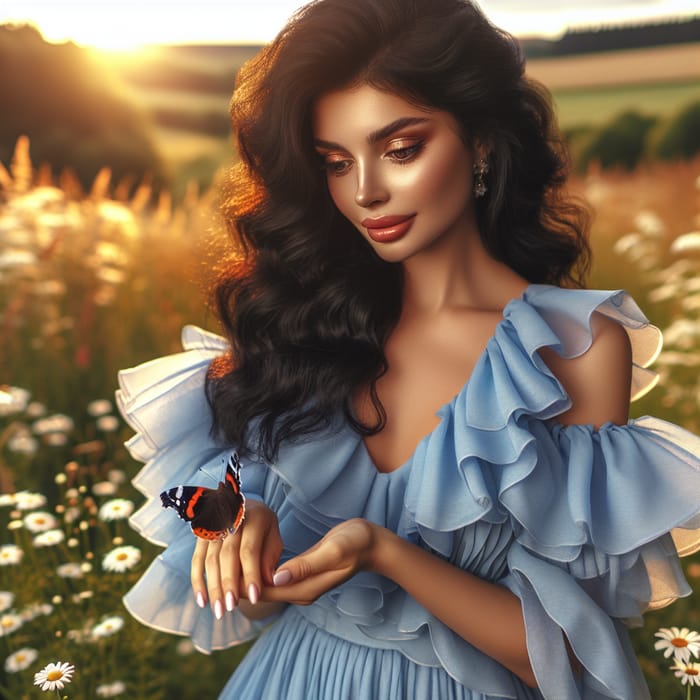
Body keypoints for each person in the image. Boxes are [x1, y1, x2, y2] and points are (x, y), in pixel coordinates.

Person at [116, 0, 700, 697]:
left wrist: (383, 553)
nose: (366, 192)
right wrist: (251, 537)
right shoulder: (302, 330)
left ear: (481, 142)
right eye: (335, 162)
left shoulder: (570, 349)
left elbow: (572, 660)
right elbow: (252, 608)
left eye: (400, 149)